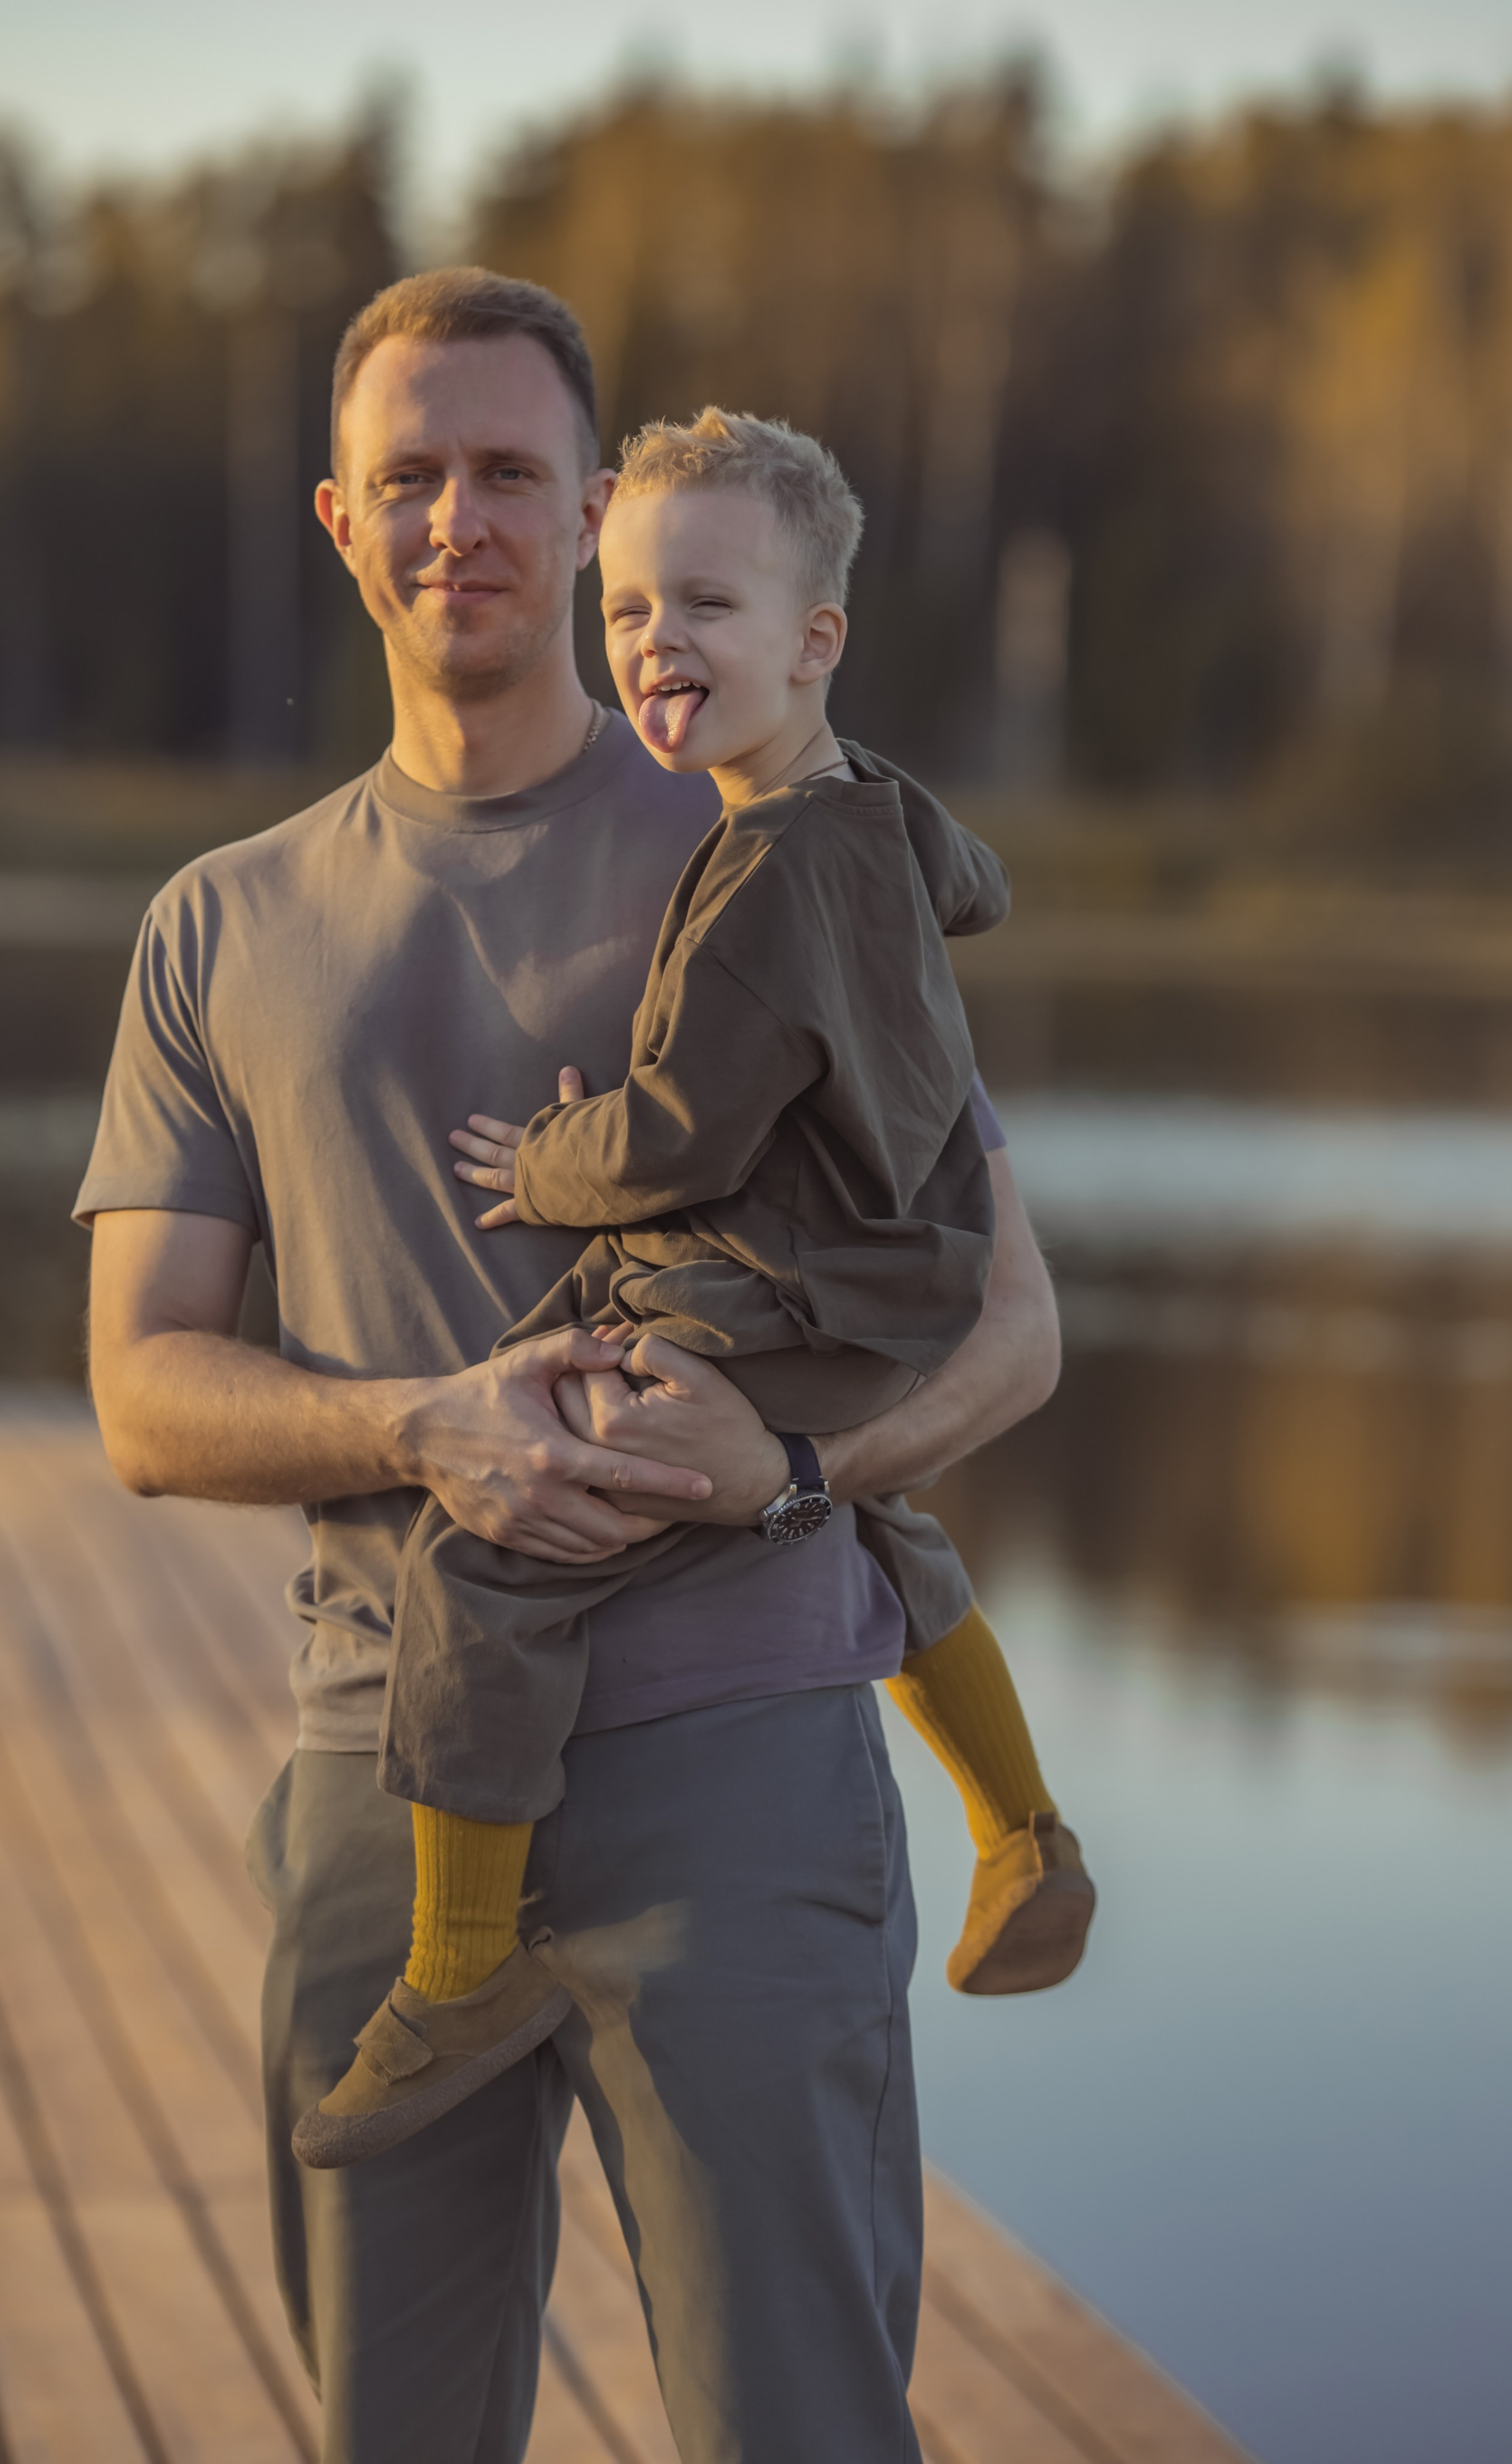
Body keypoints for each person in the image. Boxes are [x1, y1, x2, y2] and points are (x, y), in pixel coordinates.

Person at [79, 266, 1064, 2464]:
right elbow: (144, 1393)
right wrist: (417, 1429)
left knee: (794, 2432)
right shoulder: (219, 926)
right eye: (411, 477)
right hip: (387, 1776)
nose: (462, 521)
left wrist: (783, 1481)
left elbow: (1009, 1319)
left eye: (512, 471)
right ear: (341, 517)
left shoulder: (769, 834)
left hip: (737, 1780)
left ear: (593, 499)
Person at [295, 407, 1094, 2171]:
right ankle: (1024, 1826)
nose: (659, 646)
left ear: (815, 641)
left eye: (709, 611)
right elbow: (986, 885)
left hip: (787, 1273)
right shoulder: (876, 807)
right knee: (869, 1509)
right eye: (635, 610)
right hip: (907, 1265)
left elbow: (676, 1133)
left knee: (497, 1531)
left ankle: (458, 1966)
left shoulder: (759, 877)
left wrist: (548, 1162)